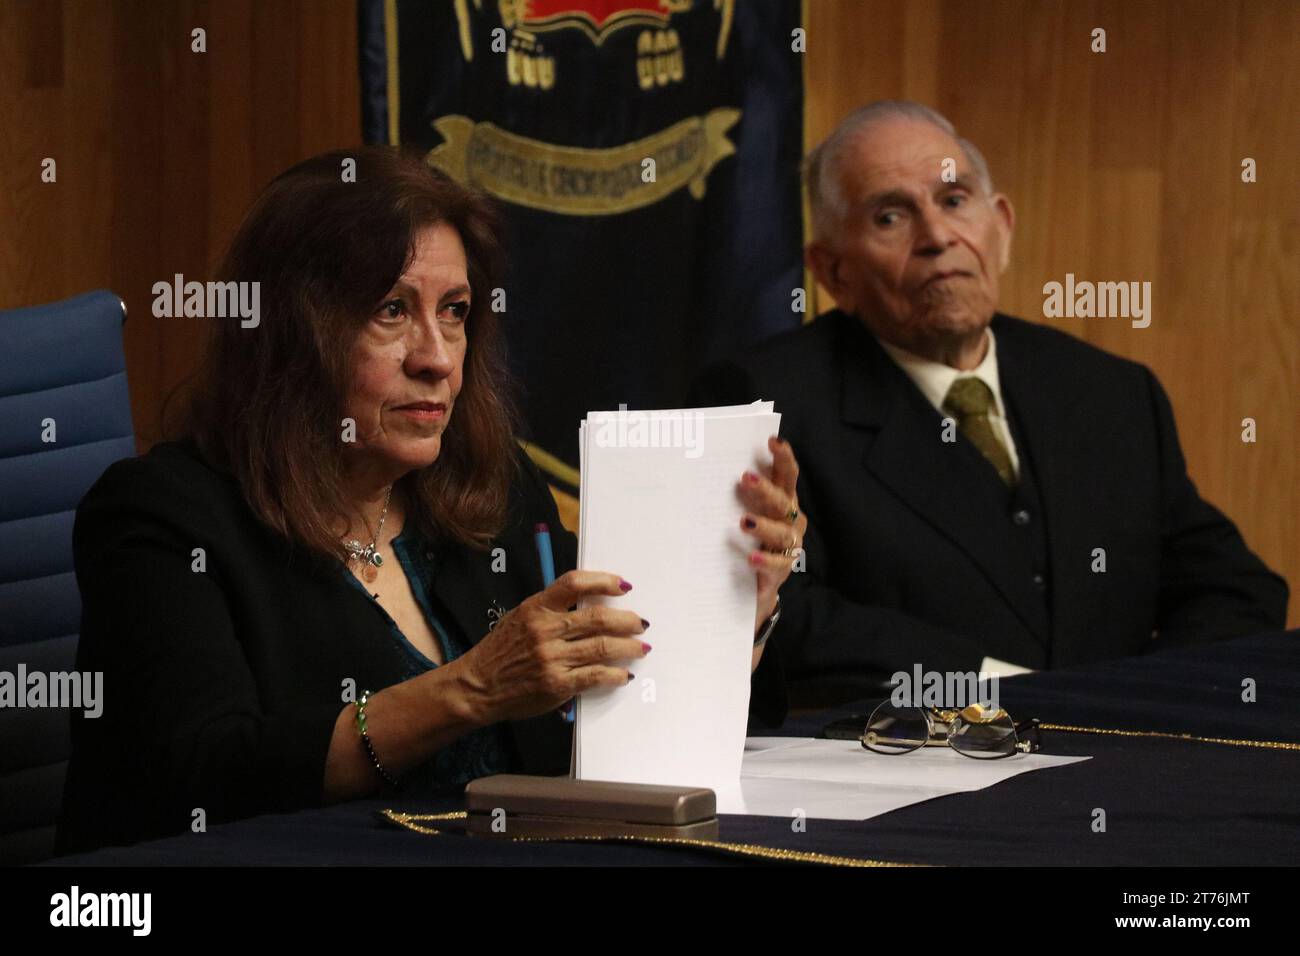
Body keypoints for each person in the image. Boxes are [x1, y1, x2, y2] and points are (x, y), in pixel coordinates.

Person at [56, 147, 804, 854]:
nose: (437, 357)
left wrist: (742, 599)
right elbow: (204, 779)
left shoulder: (492, 487)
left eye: (454, 311)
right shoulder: (162, 518)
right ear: (289, 333)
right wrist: (473, 687)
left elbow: (612, 715)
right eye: (390, 310)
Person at [691, 101, 1287, 705]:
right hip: (912, 767)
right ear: (833, 272)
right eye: (891, 216)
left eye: (954, 201)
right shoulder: (764, 402)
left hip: (1122, 763)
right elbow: (780, 612)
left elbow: (1235, 590)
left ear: (1000, 226)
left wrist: (1134, 699)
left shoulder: (1111, 394)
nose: (937, 236)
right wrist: (999, 689)